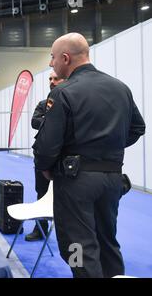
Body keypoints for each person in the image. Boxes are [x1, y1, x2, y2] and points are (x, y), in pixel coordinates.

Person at [33, 33, 145, 277]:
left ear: (65, 58)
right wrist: (105, 149)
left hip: (76, 182)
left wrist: (45, 166)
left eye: (53, 58)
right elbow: (138, 128)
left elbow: (47, 145)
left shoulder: (62, 93)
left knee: (79, 248)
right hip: (113, 179)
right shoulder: (120, 88)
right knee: (108, 243)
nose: (51, 64)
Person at [25, 71, 64, 241]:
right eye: (50, 79)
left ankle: (68, 232)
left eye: (56, 78)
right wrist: (57, 122)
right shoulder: (43, 104)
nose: (52, 81)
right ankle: (40, 229)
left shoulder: (74, 104)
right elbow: (35, 122)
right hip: (43, 157)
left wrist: (49, 121)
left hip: (65, 159)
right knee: (41, 192)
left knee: (67, 195)